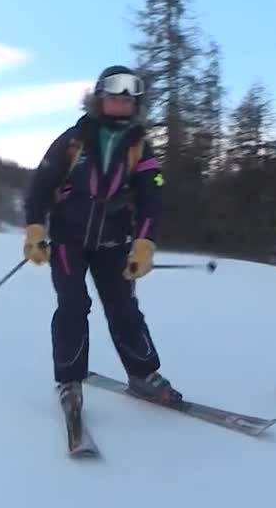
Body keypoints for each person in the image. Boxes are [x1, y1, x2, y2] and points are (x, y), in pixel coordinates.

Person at [22, 65, 181, 414]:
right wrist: (35, 228)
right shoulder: (73, 139)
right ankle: (69, 380)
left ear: (136, 101)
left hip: (115, 244)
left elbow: (152, 198)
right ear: (98, 96)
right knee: (74, 305)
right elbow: (40, 185)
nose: (121, 97)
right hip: (68, 240)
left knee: (124, 309)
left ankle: (142, 374)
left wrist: (144, 243)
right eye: (113, 90)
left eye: (129, 92)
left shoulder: (141, 148)